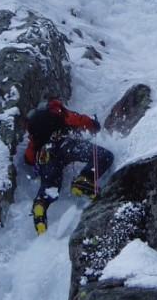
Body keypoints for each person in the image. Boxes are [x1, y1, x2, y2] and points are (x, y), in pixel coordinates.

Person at [24, 97, 114, 234]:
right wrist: (93, 124)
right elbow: (77, 120)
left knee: (50, 187)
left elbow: (29, 158)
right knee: (104, 156)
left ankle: (40, 205)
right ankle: (84, 180)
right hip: (65, 144)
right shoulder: (56, 111)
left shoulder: (34, 129)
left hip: (45, 155)